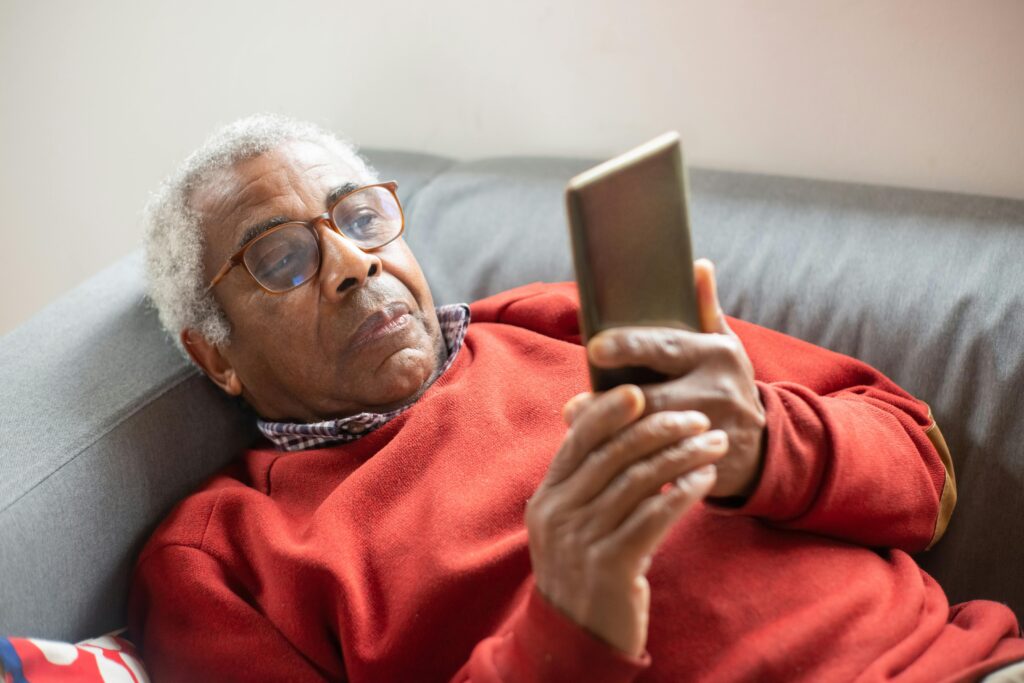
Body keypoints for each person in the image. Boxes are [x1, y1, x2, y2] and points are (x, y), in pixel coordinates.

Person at [127, 114, 1024, 682]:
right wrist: (567, 625)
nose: (354, 264)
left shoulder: (561, 318)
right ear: (218, 357)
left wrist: (763, 445)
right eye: (282, 258)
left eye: (359, 218)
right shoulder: (222, 559)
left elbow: (923, 476)